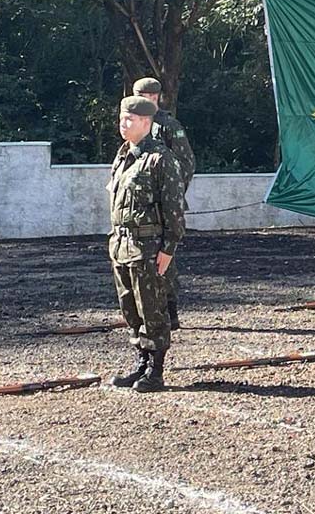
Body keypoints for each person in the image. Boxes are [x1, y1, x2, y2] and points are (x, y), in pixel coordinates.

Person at [106, 96, 186, 393]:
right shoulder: (125, 155)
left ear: (146, 122)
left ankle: (156, 370)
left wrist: (169, 248)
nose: (122, 124)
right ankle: (141, 361)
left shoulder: (160, 159)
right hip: (123, 245)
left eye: (129, 119)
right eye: (122, 118)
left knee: (153, 309)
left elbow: (173, 208)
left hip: (149, 247)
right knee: (131, 308)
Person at [133, 77, 196, 330]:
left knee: (164, 259)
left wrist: (172, 195)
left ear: (158, 98)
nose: (147, 102)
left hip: (164, 204)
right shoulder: (136, 125)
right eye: (142, 97)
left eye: (151, 98)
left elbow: (186, 163)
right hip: (142, 208)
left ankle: (170, 312)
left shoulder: (168, 126)